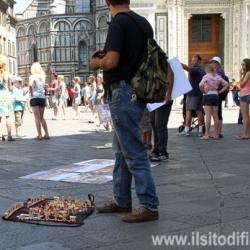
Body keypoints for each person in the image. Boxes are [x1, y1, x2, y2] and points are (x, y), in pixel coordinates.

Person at [90, 0, 173, 223]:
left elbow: (112, 61)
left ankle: (149, 204)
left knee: (134, 151)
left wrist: (96, 62)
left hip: (123, 92)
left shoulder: (119, 23)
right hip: (136, 91)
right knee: (121, 150)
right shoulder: (143, 23)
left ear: (107, 2)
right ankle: (122, 199)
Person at [199, 64, 228, 139]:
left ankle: (206, 134)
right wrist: (220, 91)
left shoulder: (206, 76)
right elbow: (226, 84)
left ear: (207, 70)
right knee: (215, 116)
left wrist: (203, 91)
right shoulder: (218, 77)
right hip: (215, 95)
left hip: (207, 95)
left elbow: (200, 85)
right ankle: (216, 134)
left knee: (208, 116)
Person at [180, 54, 205, 137]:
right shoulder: (202, 70)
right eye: (192, 60)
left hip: (192, 94)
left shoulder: (196, 69)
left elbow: (188, 69)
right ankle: (200, 130)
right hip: (199, 93)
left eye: (195, 60)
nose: (193, 62)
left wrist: (180, 64)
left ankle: (186, 130)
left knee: (188, 111)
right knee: (199, 111)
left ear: (199, 61)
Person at [29, 62, 49, 140]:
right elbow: (44, 87)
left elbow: (30, 85)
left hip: (35, 98)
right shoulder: (42, 77)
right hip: (42, 98)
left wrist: (31, 94)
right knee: (41, 117)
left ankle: (39, 135)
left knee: (37, 118)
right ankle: (47, 134)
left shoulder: (32, 76)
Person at [210, 56, 229, 138]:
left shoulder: (219, 72)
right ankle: (218, 132)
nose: (212, 63)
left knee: (217, 113)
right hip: (216, 95)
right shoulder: (217, 71)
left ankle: (218, 132)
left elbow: (223, 84)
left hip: (217, 95)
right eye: (212, 62)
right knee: (217, 113)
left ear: (218, 64)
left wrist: (219, 92)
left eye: (214, 62)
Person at [0, 61, 14, 141]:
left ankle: (0, 136)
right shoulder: (7, 74)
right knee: (8, 116)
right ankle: (9, 136)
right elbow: (10, 87)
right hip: (6, 96)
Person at [237, 58, 250, 139]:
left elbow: (241, 85)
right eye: (241, 64)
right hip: (246, 94)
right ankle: (248, 134)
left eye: (244, 64)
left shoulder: (248, 73)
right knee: (247, 116)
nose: (242, 66)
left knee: (245, 116)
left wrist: (240, 75)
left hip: (245, 95)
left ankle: (245, 134)